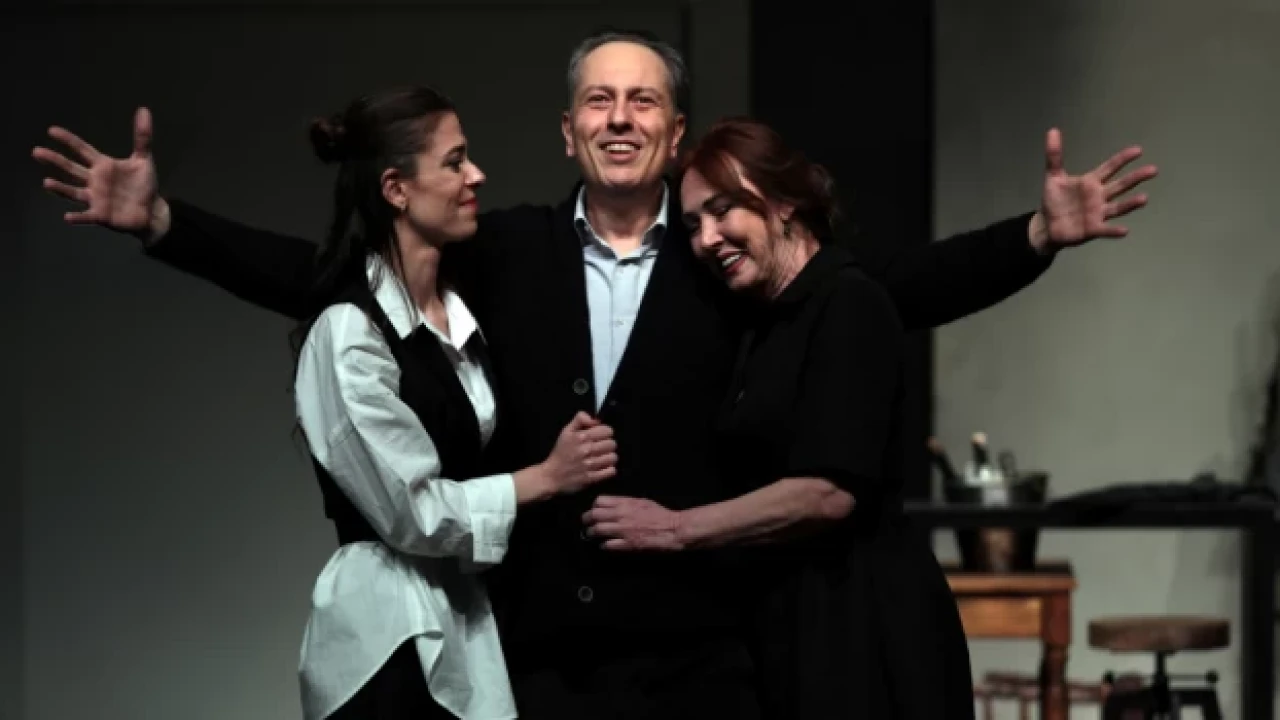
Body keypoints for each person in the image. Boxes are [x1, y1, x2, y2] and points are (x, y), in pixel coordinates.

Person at [32, 29, 1156, 719]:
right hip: (538, 660)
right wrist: (166, 225)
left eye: (644, 100)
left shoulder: (724, 256)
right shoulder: (502, 249)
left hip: (706, 661)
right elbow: (331, 278)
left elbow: (878, 289)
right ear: (569, 132)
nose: (621, 117)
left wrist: (1032, 238)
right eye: (599, 101)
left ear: (674, 132)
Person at [584, 116, 977, 718]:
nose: (707, 238)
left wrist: (673, 529)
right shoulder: (761, 321)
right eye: (692, 224)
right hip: (791, 621)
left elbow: (828, 492)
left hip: (863, 626)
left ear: (785, 202)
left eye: (724, 211)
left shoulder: (848, 302)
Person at [282, 86, 618, 720]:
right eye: (455, 161)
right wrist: (546, 478)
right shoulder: (350, 332)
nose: (476, 175)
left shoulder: (458, 317)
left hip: (467, 623)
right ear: (396, 189)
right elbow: (410, 512)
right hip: (390, 638)